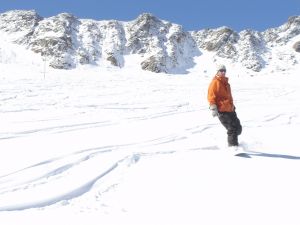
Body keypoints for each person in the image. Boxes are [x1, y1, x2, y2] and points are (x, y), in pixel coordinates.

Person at [207, 64, 242, 149]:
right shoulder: (215, 82)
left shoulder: (226, 83)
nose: (223, 72)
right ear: (217, 72)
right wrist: (213, 108)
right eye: (221, 71)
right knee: (232, 128)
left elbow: (229, 97)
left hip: (230, 109)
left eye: (224, 71)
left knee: (238, 128)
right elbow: (211, 96)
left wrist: (232, 105)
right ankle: (233, 147)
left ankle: (234, 143)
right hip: (222, 110)